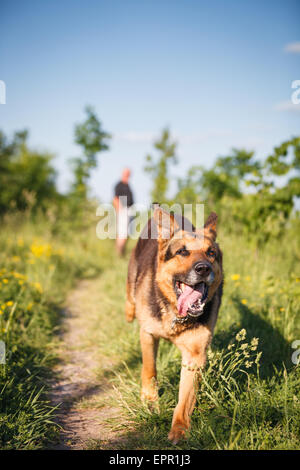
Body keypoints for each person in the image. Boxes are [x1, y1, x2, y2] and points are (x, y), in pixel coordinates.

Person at [113, 168, 134, 256]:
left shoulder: (128, 185)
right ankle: (118, 253)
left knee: (127, 234)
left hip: (129, 210)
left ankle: (122, 253)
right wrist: (120, 211)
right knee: (122, 234)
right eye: (126, 173)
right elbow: (115, 199)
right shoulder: (119, 185)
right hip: (123, 211)